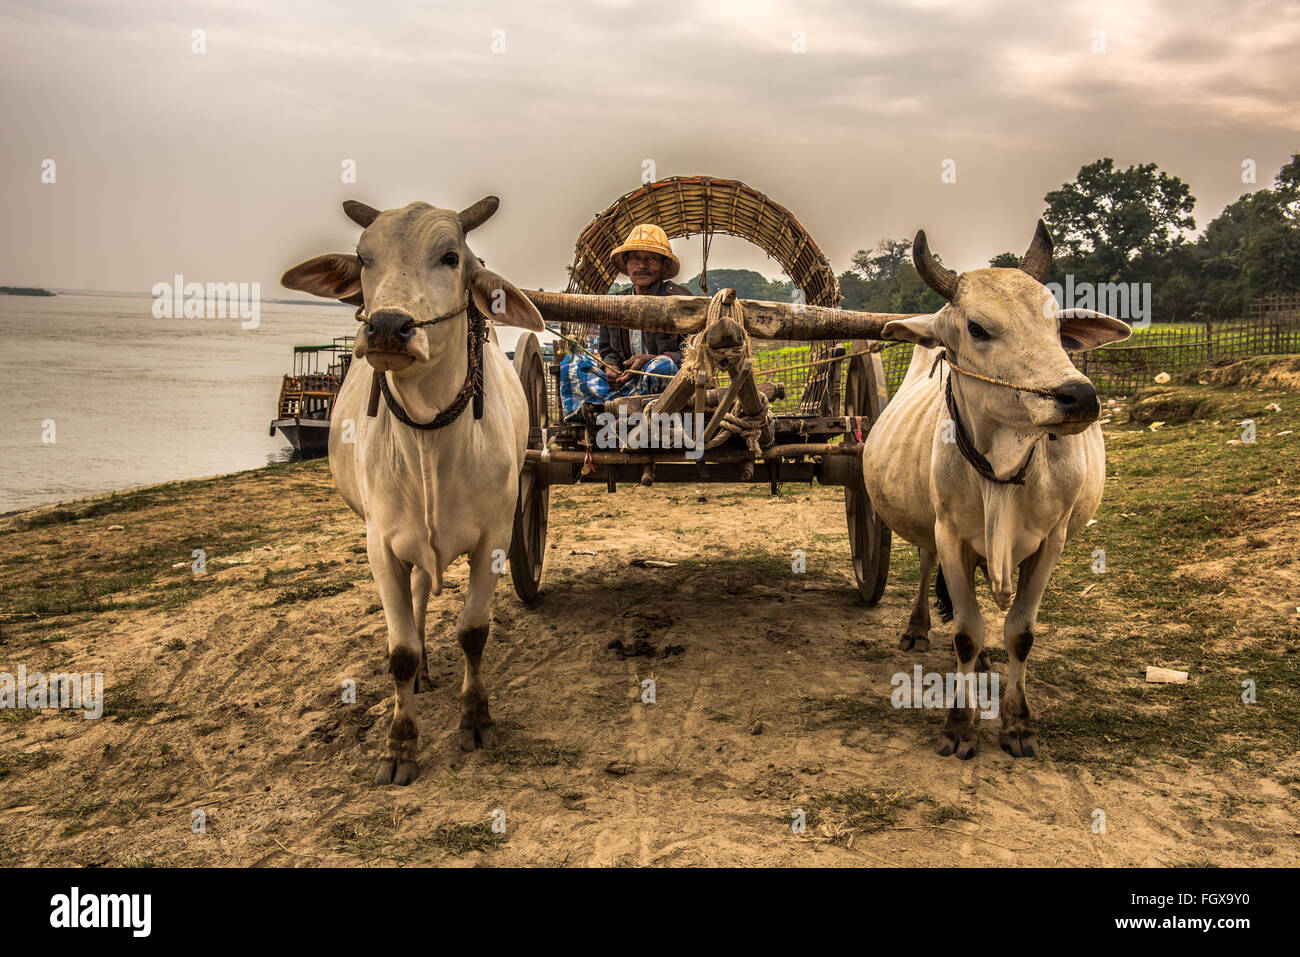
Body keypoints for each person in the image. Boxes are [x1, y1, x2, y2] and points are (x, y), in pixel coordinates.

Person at [559, 224, 691, 424]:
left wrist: (652, 359)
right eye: (635, 258)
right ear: (627, 264)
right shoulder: (614, 303)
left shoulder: (680, 300)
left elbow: (695, 352)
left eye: (651, 258)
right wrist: (611, 366)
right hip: (623, 385)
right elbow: (606, 349)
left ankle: (611, 408)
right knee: (572, 363)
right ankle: (610, 408)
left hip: (660, 387)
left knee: (663, 366)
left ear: (664, 265)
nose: (642, 265)